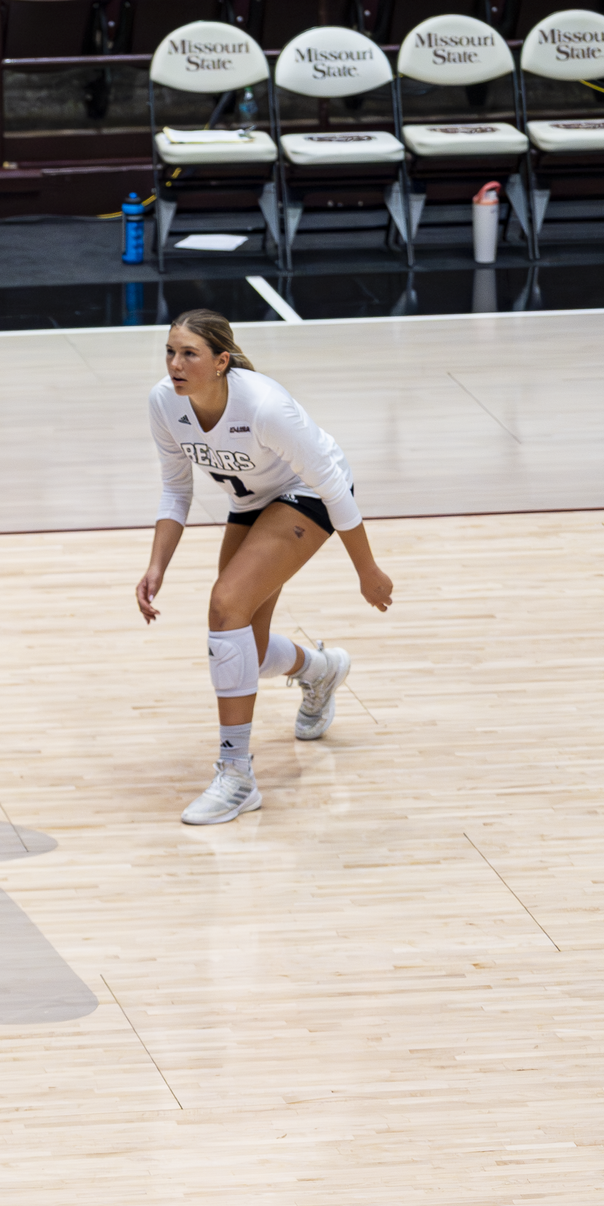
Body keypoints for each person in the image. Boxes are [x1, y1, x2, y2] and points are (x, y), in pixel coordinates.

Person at [133, 309, 393, 826]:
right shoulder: (165, 402)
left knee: (224, 606)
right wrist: (156, 564)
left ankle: (237, 776)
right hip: (253, 503)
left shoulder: (266, 408)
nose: (175, 364)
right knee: (242, 647)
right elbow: (175, 488)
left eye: (189, 354)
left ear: (221, 361)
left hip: (307, 495)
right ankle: (319, 670)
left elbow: (334, 486)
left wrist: (367, 569)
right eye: (170, 351)